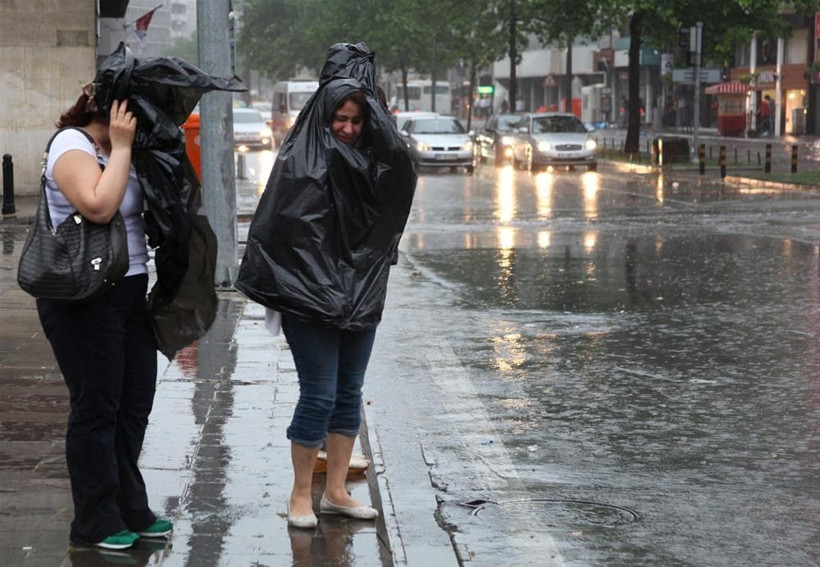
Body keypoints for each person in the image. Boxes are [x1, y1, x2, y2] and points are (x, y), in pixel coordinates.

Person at [236, 43, 417, 530]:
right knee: (318, 393)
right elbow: (286, 229)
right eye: (341, 117)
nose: (349, 128)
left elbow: (389, 214)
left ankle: (335, 491)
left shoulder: (377, 162)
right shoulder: (301, 160)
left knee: (348, 393)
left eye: (358, 120)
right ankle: (301, 494)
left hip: (360, 294)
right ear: (326, 114)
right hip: (309, 299)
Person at [35, 84, 172, 550]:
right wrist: (124, 147)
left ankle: (130, 505)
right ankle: (94, 519)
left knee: (134, 403)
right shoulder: (72, 145)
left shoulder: (129, 148)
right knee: (97, 407)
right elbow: (98, 205)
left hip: (131, 290)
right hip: (82, 296)